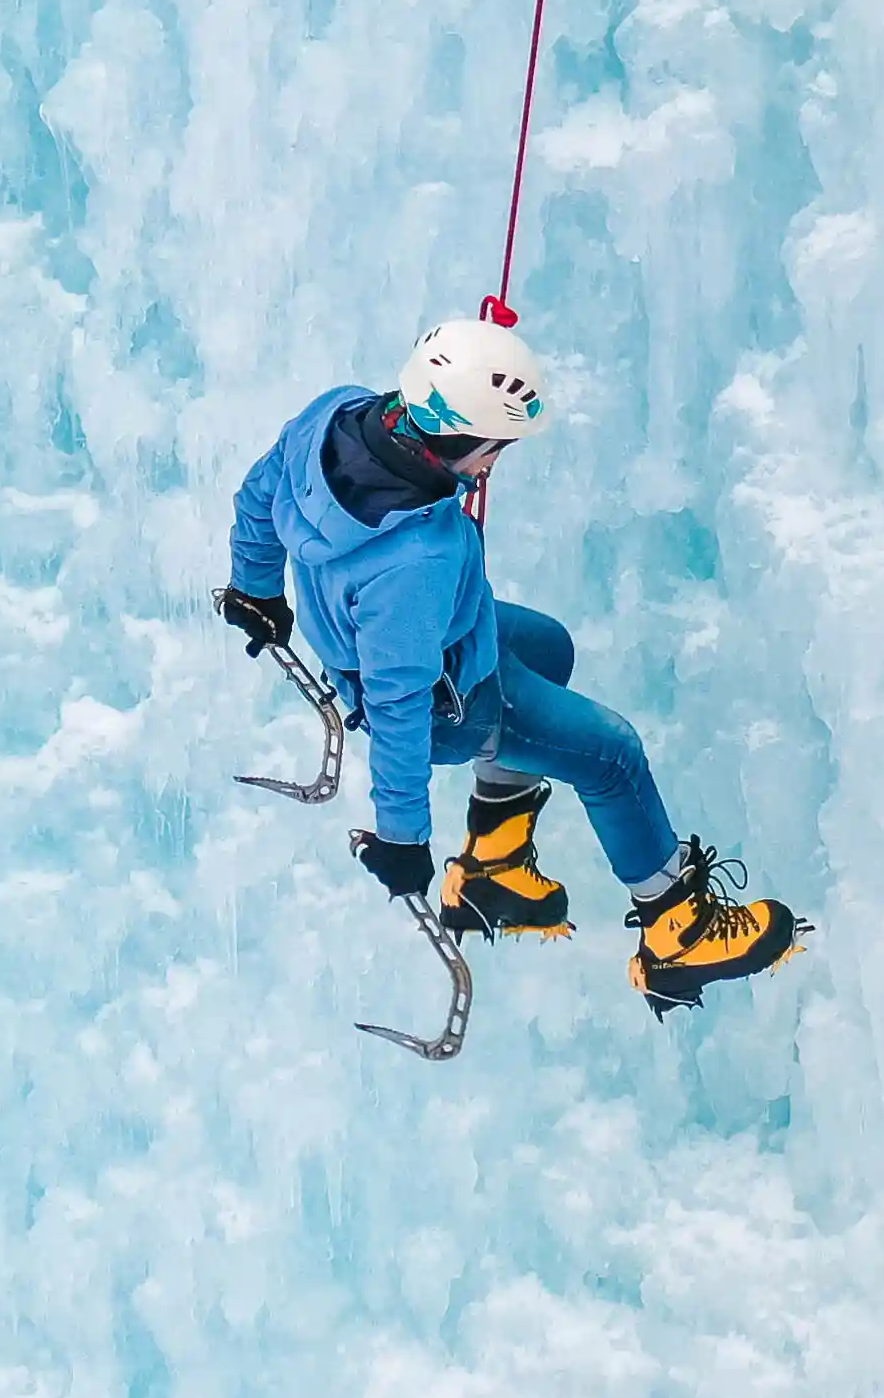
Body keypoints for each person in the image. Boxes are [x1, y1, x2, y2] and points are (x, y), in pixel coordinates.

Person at [217, 311, 802, 1016]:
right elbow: (397, 698)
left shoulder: (332, 415)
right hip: (449, 705)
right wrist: (403, 835)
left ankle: (494, 864)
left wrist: (254, 587)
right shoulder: (417, 557)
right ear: (456, 439)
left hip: (419, 637)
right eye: (494, 447)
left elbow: (258, 493)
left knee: (549, 644)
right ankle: (678, 930)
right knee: (610, 754)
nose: (495, 463)